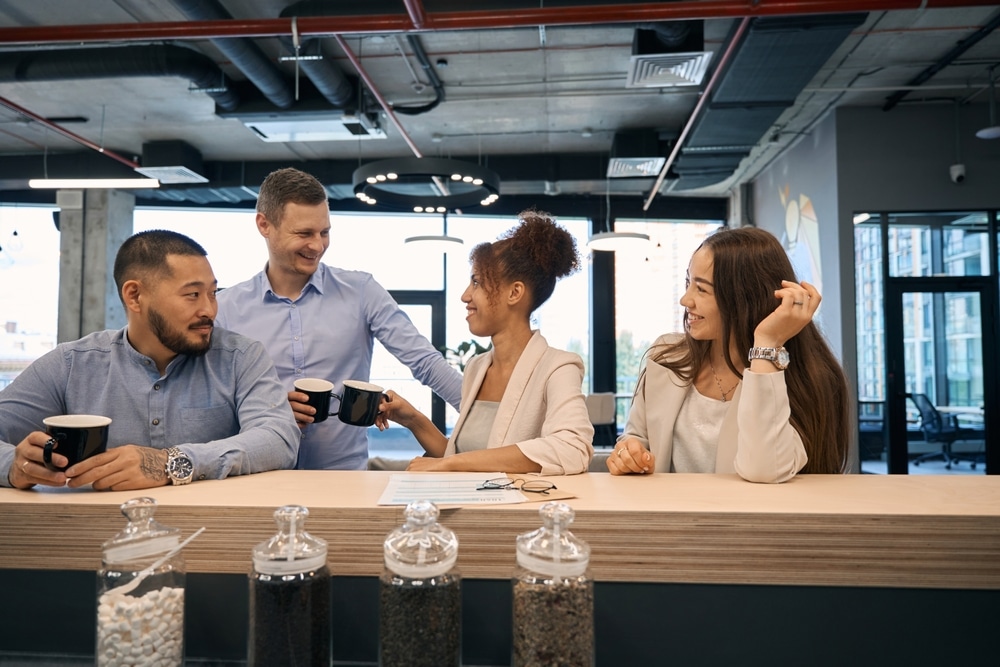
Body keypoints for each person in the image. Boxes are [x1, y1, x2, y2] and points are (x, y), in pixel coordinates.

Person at [1, 230, 300, 491]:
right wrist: (14, 467)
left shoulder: (240, 357)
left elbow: (279, 439)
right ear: (134, 296)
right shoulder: (71, 365)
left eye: (212, 293)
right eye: (193, 294)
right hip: (93, 533)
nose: (209, 309)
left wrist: (170, 463)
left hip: (212, 531)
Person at [215, 167, 463, 470]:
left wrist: (491, 421)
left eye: (324, 232)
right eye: (304, 233)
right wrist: (267, 411)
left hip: (345, 479)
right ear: (264, 225)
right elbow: (212, 401)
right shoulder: (226, 308)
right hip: (260, 477)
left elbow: (425, 362)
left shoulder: (362, 291)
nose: (318, 245)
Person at [609, 226, 849, 483]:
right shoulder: (666, 357)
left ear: (744, 297)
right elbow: (635, 437)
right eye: (689, 283)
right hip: (670, 517)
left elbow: (764, 469)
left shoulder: (810, 377)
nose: (685, 300)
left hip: (757, 521)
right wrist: (629, 452)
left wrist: (767, 343)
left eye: (701, 289)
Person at [377, 210, 594, 475]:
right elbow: (464, 458)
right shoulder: (477, 368)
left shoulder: (558, 368)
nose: (465, 295)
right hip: (469, 510)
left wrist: (450, 463)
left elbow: (572, 449)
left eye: (477, 282)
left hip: (520, 515)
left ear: (514, 293)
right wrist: (413, 419)